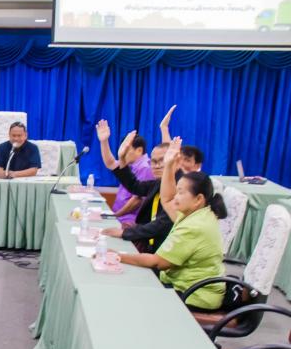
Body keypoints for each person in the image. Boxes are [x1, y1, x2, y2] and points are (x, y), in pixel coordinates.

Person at [115, 138, 227, 311]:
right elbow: (167, 198)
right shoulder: (197, 212)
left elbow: (157, 262)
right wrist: (168, 165)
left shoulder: (195, 226)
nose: (176, 197)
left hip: (195, 295)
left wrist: (117, 256)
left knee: (132, 294)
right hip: (184, 285)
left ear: (198, 199)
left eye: (180, 193)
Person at [97, 120, 174, 253]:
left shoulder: (146, 168)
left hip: (150, 237)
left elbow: (159, 224)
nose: (157, 166)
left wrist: (122, 227)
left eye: (162, 161)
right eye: (154, 162)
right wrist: (109, 145)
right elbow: (134, 185)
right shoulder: (156, 181)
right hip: (147, 238)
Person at [110, 133, 153, 225]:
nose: (123, 153)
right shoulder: (131, 165)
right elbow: (110, 163)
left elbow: (137, 200)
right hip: (119, 216)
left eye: (126, 150)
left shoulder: (145, 167)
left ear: (139, 150)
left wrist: (116, 215)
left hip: (128, 219)